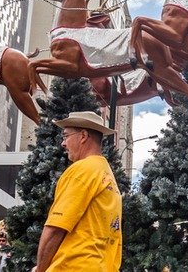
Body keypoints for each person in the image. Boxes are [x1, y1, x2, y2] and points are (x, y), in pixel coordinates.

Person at [33, 110, 122, 272]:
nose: (63, 143)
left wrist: (40, 269)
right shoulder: (106, 174)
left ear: (83, 136)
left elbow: (55, 228)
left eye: (66, 136)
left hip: (73, 266)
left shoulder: (82, 170)